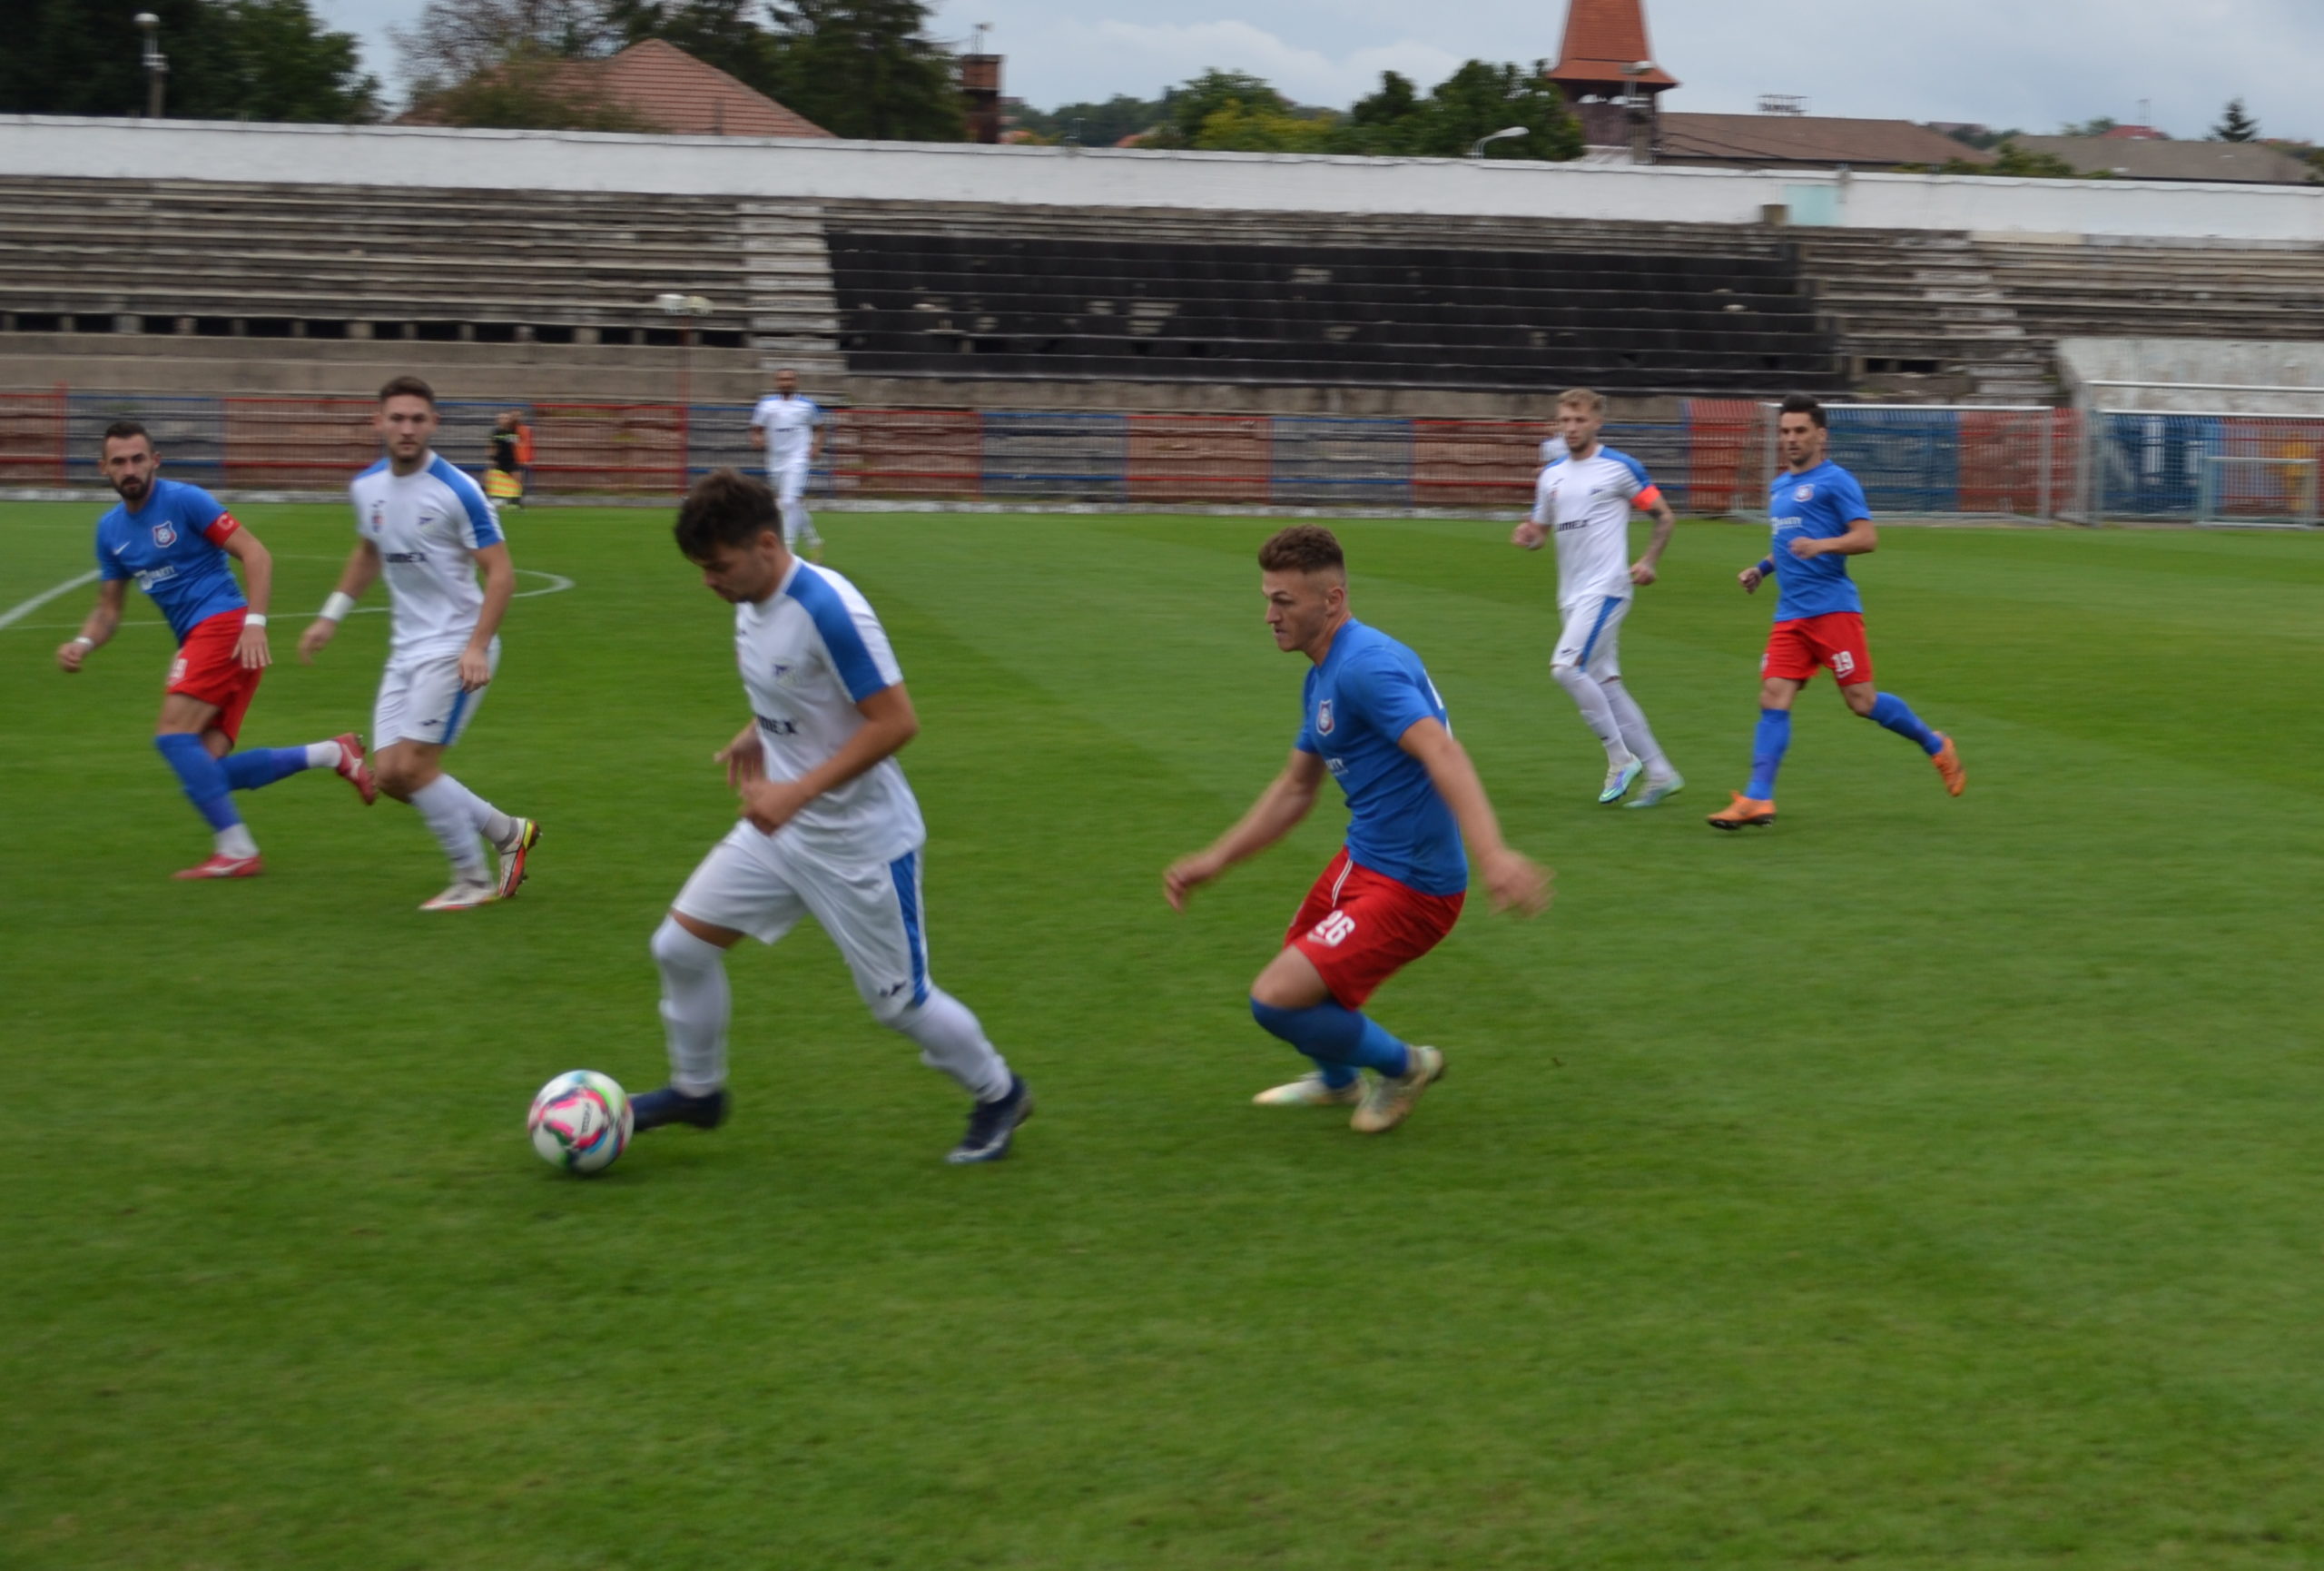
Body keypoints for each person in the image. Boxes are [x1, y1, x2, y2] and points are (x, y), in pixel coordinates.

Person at [629, 469, 1031, 1164]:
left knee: (899, 1003)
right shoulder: (751, 597)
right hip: (782, 835)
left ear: (765, 544)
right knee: (679, 948)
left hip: (859, 844)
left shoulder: (829, 608)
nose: (708, 582)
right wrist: (760, 731)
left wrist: (795, 792)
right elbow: (799, 689)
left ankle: (1000, 1093)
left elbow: (896, 723)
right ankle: (697, 1092)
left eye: (717, 567)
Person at [1165, 525, 1551, 1134]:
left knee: (1276, 998)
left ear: (1333, 599)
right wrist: (1215, 860)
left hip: (1413, 885)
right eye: (1267, 599)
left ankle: (1405, 1068)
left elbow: (1443, 752)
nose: (1269, 616)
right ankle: (1339, 1082)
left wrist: (1493, 854)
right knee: (1301, 976)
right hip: (1364, 861)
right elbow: (1297, 787)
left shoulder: (1364, 667)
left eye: (1284, 601)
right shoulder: (1324, 673)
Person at [55, 422, 373, 878]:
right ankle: (333, 754)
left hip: (224, 629)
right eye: (119, 462)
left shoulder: (185, 500)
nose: (130, 469)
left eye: (138, 459)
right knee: (204, 771)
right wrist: (83, 643)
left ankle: (238, 850)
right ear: (103, 468)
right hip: (212, 641)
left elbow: (256, 554)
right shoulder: (110, 531)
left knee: (172, 737)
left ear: (155, 460)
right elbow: (108, 610)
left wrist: (255, 624)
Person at [299, 376, 541, 909]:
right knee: (390, 775)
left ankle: (471, 880)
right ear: (378, 422)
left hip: (456, 646)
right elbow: (369, 550)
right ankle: (508, 833)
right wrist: (330, 617)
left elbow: (501, 575)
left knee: (414, 767)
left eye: (416, 419)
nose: (406, 428)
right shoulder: (367, 487)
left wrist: (476, 646)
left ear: (433, 423)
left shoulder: (459, 490)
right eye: (397, 418)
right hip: (406, 650)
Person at [1707, 393, 1966, 829]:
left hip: (1832, 611)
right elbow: (1787, 543)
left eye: (1800, 431)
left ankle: (1936, 744)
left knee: (1862, 702)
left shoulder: (1837, 481)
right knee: (1772, 695)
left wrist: (1823, 545)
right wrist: (1762, 569)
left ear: (1821, 435)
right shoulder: (1779, 486)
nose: (1791, 438)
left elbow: (1866, 537)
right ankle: (1757, 798)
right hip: (1791, 614)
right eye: (1785, 431)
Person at [1512, 388, 1684, 807]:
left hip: (1607, 587)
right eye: (1565, 421)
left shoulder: (1620, 468)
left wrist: (1649, 560)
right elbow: (1541, 531)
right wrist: (1529, 536)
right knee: (1606, 685)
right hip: (1571, 595)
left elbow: (1663, 516)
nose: (1571, 428)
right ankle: (1661, 773)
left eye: (1579, 420)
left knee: (1565, 668)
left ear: (1596, 422)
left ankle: (1620, 758)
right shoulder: (1550, 476)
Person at [748, 368, 825, 561]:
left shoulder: (807, 405)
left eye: (789, 379)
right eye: (782, 379)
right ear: (777, 382)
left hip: (798, 457)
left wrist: (816, 446)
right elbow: (756, 428)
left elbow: (820, 428)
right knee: (792, 503)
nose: (786, 383)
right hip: (775, 459)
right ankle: (814, 541)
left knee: (788, 502)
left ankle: (787, 551)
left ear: (795, 381)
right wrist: (757, 438)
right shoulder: (766, 405)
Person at [485, 410, 526, 509]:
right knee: (495, 481)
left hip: (512, 459)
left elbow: (517, 420)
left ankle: (516, 502)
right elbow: (492, 446)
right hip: (500, 460)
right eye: (501, 418)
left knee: (517, 480)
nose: (503, 420)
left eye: (506, 418)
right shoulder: (496, 432)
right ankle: (495, 501)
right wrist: (491, 459)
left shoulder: (514, 430)